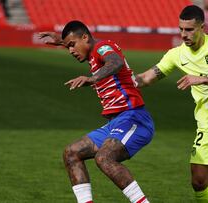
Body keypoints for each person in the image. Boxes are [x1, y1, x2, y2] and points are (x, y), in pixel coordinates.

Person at [135, 5, 208, 203]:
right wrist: (118, 80)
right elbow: (146, 78)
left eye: (189, 29)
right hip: (207, 122)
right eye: (181, 29)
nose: (183, 34)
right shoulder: (176, 55)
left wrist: (203, 78)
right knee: (198, 183)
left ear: (202, 28)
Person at [39, 20, 153, 203]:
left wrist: (93, 78)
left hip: (134, 118)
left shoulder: (103, 47)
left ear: (85, 37)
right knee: (71, 152)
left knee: (104, 157)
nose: (71, 51)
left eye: (72, 45)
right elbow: (84, 44)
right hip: (116, 123)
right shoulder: (93, 52)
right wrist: (62, 41)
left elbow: (115, 62)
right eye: (68, 47)